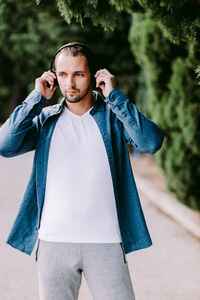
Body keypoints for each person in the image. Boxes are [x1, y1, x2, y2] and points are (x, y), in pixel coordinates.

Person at [0, 42, 164, 300]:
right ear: (53, 76)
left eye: (79, 74)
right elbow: (4, 145)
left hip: (106, 241)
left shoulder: (113, 118)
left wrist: (115, 97)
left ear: (94, 75)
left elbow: (151, 142)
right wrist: (36, 98)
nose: (70, 84)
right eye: (63, 74)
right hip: (53, 242)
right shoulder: (46, 120)